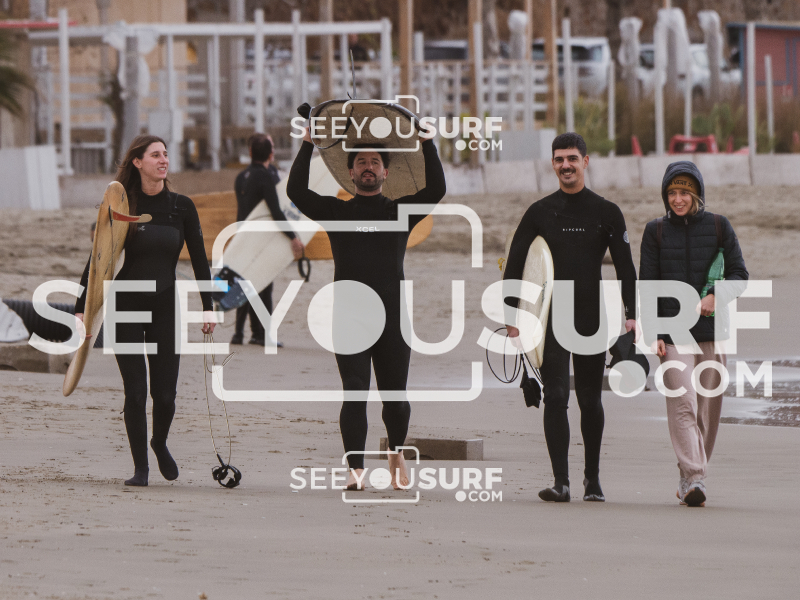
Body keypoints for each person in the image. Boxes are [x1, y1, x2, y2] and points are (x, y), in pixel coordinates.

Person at [287, 127, 445, 491]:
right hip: (350, 317)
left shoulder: (400, 212)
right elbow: (296, 191)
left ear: (386, 172)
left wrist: (428, 143)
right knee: (355, 391)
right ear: (351, 173)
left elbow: (436, 189)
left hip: (393, 318)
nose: (368, 167)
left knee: (396, 399)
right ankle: (355, 470)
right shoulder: (336, 212)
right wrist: (307, 143)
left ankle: (396, 453)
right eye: (361, 162)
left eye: (375, 162)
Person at [74, 135, 216, 487]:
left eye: (165, 154)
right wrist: (81, 308)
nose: (163, 160)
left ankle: (159, 442)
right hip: (125, 306)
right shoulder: (121, 204)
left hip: (164, 305)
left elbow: (200, 259)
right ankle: (141, 468)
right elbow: (98, 260)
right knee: (136, 392)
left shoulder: (181, 207)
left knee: (165, 395)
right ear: (137, 162)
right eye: (155, 155)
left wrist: (208, 306)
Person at [503, 133, 637, 503]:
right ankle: (560, 482)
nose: (566, 165)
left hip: (591, 316)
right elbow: (516, 264)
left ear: (585, 162)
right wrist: (512, 315)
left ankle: (592, 480)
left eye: (572, 159)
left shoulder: (606, 212)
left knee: (590, 399)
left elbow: (626, 268)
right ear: (552, 164)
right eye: (560, 159)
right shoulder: (539, 212)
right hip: (552, 316)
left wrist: (631, 316)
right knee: (556, 394)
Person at [639, 162, 747, 507]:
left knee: (707, 411)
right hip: (672, 335)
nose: (678, 199)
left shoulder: (718, 226)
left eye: (684, 192)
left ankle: (688, 478)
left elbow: (740, 275)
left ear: (697, 193)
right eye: (672, 193)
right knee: (683, 401)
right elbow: (648, 286)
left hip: (712, 332)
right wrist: (653, 332)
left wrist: (716, 295)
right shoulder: (655, 231)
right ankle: (695, 475)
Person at [232, 133, 304, 347]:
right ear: (271, 154)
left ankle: (239, 334)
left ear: (250, 152)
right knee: (263, 284)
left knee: (246, 282)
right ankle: (261, 334)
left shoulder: (241, 176)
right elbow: (276, 211)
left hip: (243, 236)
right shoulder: (265, 177)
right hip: (261, 238)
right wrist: (293, 237)